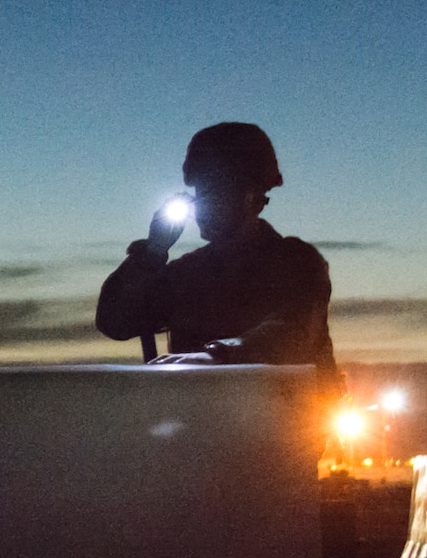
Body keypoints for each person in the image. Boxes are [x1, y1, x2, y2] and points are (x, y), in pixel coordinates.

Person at [96, 122, 340, 387]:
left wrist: (217, 357)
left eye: (215, 191)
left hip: (289, 420)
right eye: (200, 192)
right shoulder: (188, 274)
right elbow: (115, 321)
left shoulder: (296, 262)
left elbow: (291, 331)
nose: (202, 203)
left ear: (250, 196)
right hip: (202, 420)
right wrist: (152, 252)